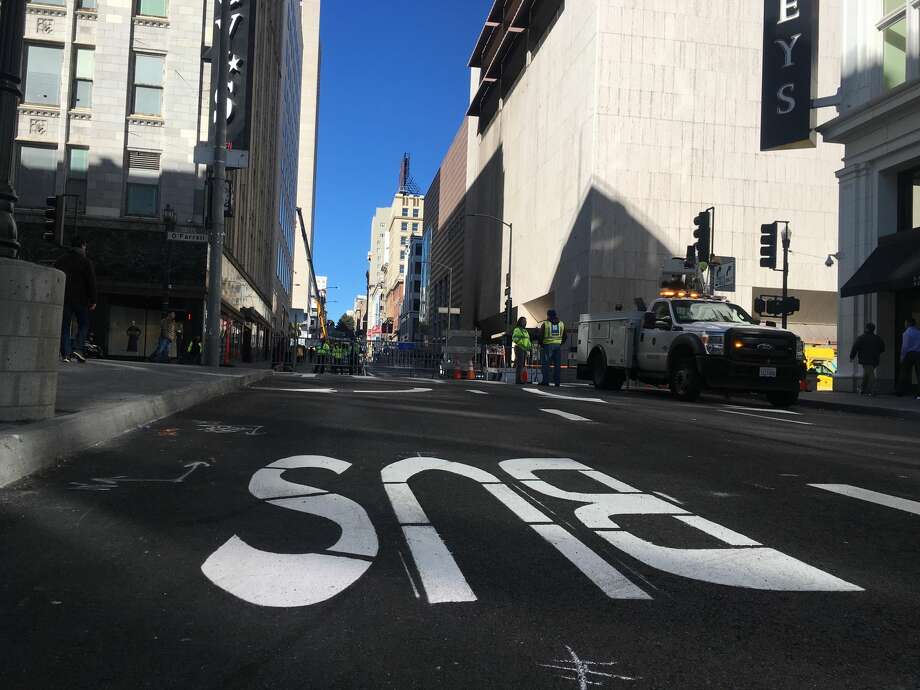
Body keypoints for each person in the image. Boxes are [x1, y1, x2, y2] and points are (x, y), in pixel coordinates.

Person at [54, 236, 96, 364]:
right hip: (81, 300)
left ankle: (65, 354)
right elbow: (91, 282)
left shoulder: (61, 261)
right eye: (85, 246)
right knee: (84, 324)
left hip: (65, 299)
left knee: (65, 327)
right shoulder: (86, 262)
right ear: (82, 246)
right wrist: (93, 300)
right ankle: (78, 348)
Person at [849, 323, 885, 396]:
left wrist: (852, 357)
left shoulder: (861, 338)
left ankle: (873, 390)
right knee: (867, 373)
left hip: (865, 359)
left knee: (870, 374)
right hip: (875, 359)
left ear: (866, 329)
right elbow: (882, 348)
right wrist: (877, 353)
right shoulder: (878, 338)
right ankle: (862, 389)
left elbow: (855, 347)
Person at [538, 309, 566, 387]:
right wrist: (560, 343)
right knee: (557, 365)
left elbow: (540, 336)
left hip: (547, 346)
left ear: (548, 315)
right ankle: (557, 382)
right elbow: (565, 336)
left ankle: (545, 381)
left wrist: (542, 344)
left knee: (546, 364)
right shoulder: (561, 324)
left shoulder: (545, 324)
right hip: (558, 346)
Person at [898, 318, 920, 398]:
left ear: (908, 323)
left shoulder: (906, 333)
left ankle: (900, 391)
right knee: (919, 374)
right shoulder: (919, 332)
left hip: (910, 354)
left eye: (905, 323)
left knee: (904, 372)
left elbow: (905, 347)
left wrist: (902, 357)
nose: (904, 324)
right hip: (919, 353)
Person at [512, 317, 532, 385]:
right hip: (519, 348)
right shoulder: (517, 329)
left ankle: (521, 379)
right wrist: (522, 344)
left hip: (524, 349)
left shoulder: (525, 331)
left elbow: (528, 340)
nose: (525, 322)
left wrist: (529, 347)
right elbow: (515, 338)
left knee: (523, 365)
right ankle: (518, 380)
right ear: (520, 322)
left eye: (525, 321)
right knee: (520, 365)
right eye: (523, 321)